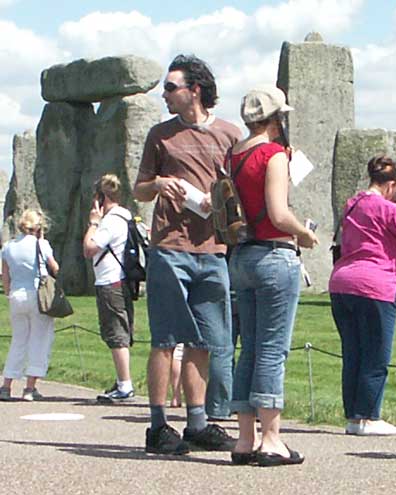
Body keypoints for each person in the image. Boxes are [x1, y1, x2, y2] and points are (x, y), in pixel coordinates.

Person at [134, 54, 241, 455]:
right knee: (165, 339)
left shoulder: (229, 135)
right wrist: (159, 184)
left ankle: (197, 423)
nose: (164, 94)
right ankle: (158, 426)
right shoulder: (160, 135)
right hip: (169, 248)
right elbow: (139, 189)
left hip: (213, 251)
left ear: (194, 90)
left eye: (170, 87)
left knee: (205, 342)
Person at [228, 86, 319, 467]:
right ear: (275, 118)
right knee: (271, 349)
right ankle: (271, 439)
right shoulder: (274, 155)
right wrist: (305, 233)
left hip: (242, 257)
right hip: (273, 254)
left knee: (248, 347)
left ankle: (245, 438)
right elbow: (278, 214)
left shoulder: (234, 153)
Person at [329, 155, 396, 436]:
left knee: (353, 353)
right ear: (392, 184)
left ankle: (353, 418)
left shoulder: (353, 204)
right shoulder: (388, 209)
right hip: (375, 285)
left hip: (341, 283)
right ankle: (370, 417)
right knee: (375, 354)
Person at [83, 174, 135, 403]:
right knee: (118, 331)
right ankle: (122, 380)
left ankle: (125, 386)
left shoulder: (112, 220)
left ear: (101, 198)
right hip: (120, 280)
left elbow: (89, 248)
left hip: (110, 281)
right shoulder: (126, 217)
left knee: (116, 334)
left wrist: (94, 222)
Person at [0, 209, 59, 401]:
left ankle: (6, 385)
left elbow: (5, 277)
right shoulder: (41, 244)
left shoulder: (8, 247)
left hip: (16, 295)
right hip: (37, 295)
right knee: (39, 340)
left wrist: (9, 294)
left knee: (18, 340)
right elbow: (55, 268)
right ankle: (29, 388)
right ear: (38, 227)